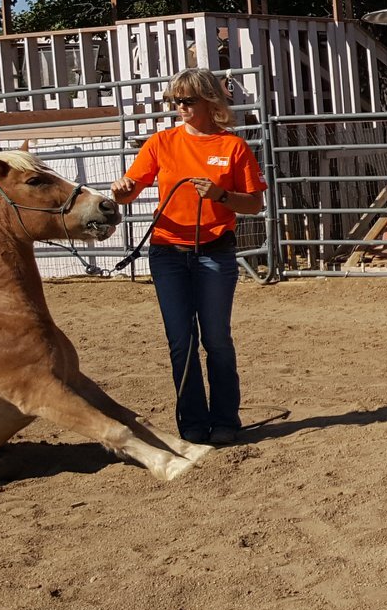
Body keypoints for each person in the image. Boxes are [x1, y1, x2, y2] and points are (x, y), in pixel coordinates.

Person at [109, 67, 268, 446]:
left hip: (215, 253)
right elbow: (131, 189)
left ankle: (226, 419)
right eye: (174, 100)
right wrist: (122, 190)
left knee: (216, 339)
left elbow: (255, 203)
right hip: (167, 253)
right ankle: (192, 422)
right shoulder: (161, 143)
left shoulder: (233, 147)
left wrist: (221, 197)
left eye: (186, 100)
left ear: (209, 101)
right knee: (181, 340)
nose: (179, 107)